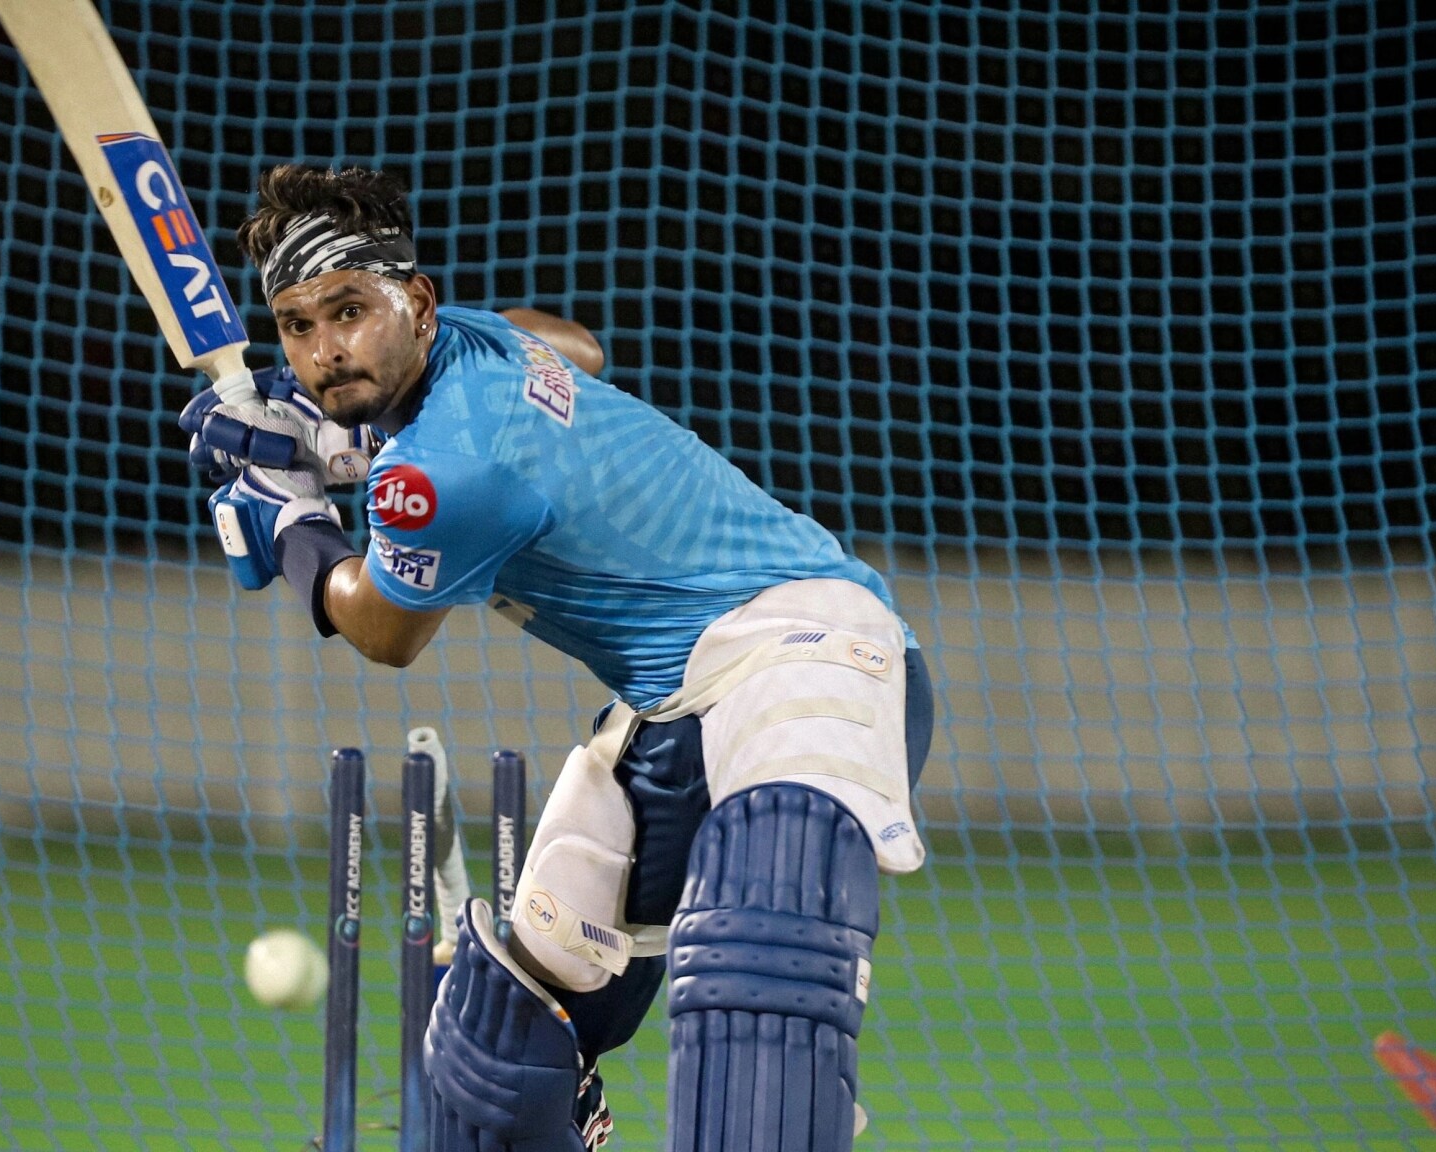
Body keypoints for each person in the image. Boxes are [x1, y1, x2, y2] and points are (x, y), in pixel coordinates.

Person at [182, 165, 934, 1152]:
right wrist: (333, 431)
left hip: (809, 652)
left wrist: (290, 519)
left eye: (350, 311)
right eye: (296, 326)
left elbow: (382, 632)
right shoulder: (479, 341)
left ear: (416, 303)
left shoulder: (450, 467)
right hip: (676, 707)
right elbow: (573, 344)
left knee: (758, 982)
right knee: (497, 1049)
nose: (325, 351)